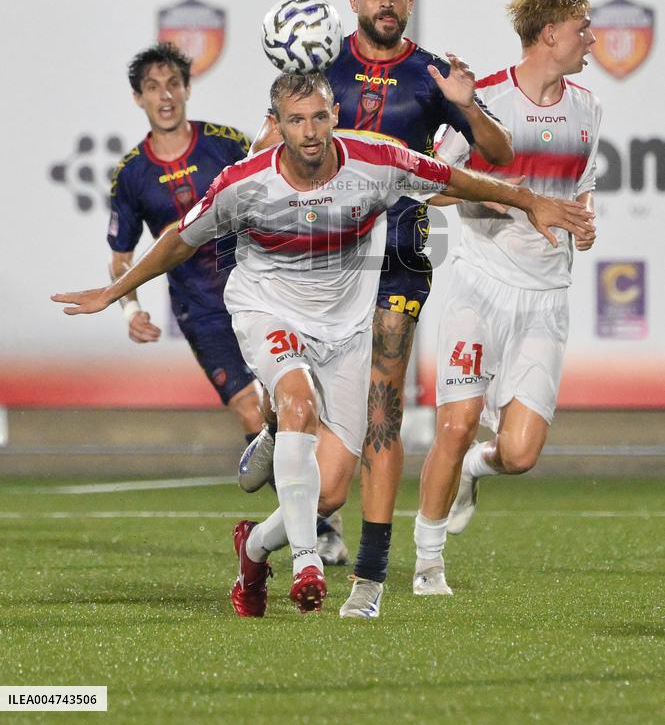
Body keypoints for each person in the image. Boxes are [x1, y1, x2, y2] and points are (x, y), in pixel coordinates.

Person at [52, 71, 594, 617]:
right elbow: (179, 240)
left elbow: (455, 177)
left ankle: (255, 546)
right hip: (268, 311)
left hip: (346, 332)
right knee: (298, 401)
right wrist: (117, 292)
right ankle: (306, 562)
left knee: (328, 492)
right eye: (294, 120)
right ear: (277, 124)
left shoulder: (375, 162)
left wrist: (527, 199)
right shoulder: (244, 182)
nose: (308, 131)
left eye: (317, 116)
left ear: (334, 114)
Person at [241, 0, 514, 615]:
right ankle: (279, 428)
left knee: (382, 411)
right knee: (323, 472)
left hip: (392, 261)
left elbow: (500, 154)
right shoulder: (319, 66)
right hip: (313, 262)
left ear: (409, 2)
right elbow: (267, 148)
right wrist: (265, 137)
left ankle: (368, 579)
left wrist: (466, 106)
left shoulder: (430, 76)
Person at [412, 0, 601, 597]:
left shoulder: (588, 109)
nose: (591, 40)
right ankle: (427, 563)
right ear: (549, 34)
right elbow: (431, 186)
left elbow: (581, 184)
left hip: (546, 297)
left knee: (518, 454)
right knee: (457, 420)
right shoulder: (487, 101)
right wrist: (514, 201)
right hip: (481, 286)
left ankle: (474, 470)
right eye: (583, 29)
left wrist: (583, 217)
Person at [108, 42, 264, 438]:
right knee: (250, 410)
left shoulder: (226, 143)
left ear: (187, 90)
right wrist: (131, 310)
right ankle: (296, 500)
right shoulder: (132, 173)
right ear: (138, 97)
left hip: (259, 294)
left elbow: (272, 194)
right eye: (154, 87)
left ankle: (306, 496)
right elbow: (120, 258)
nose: (165, 95)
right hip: (201, 312)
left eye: (173, 83)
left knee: (290, 404)